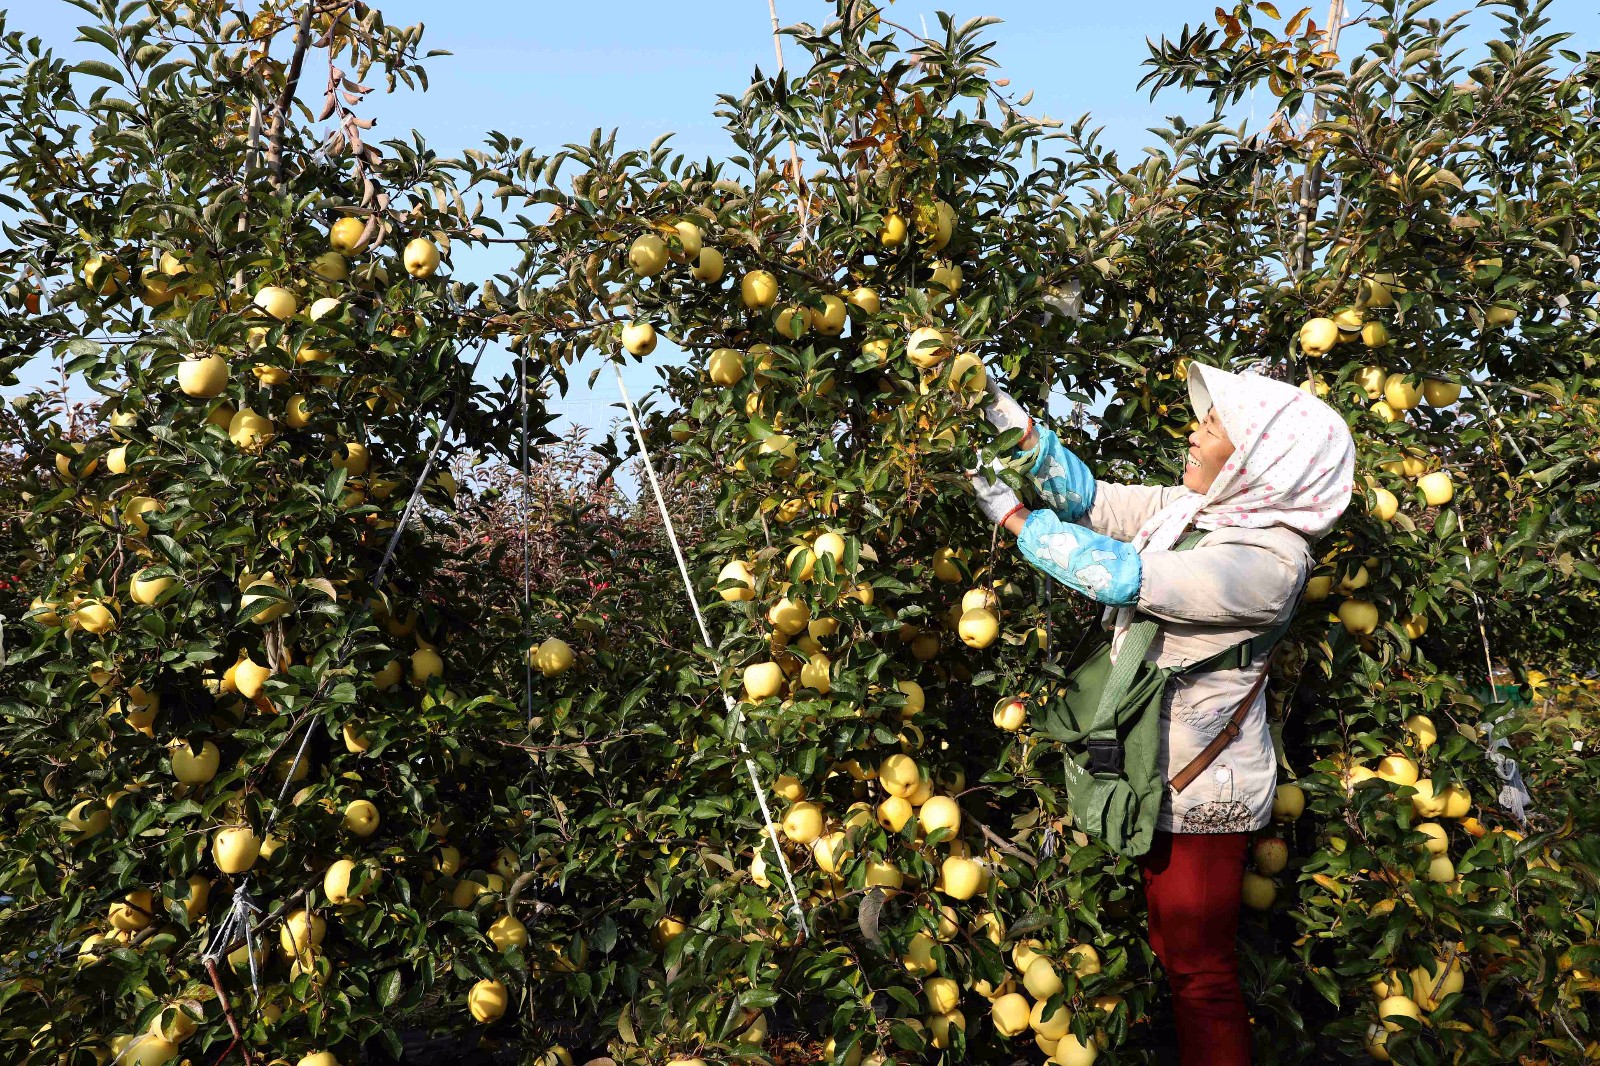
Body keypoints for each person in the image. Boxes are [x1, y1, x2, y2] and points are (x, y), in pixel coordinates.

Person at [969, 361, 1356, 1066]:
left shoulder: (1267, 560)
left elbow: (1122, 574)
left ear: (1257, 460)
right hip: (1158, 769)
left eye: (1211, 427)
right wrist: (995, 407)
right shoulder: (1195, 512)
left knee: (1199, 971)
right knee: (1174, 950)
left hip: (1201, 791)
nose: (1193, 433)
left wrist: (1015, 518)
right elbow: (1088, 498)